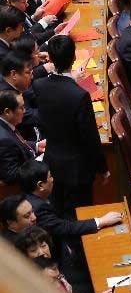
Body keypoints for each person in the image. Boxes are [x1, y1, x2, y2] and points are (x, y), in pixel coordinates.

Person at [33, 35, 108, 214]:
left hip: (52, 162)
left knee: (59, 210)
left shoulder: (39, 85)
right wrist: (103, 168)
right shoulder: (79, 95)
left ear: (50, 58)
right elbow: (89, 137)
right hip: (77, 168)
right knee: (80, 214)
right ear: (74, 58)